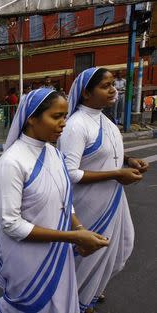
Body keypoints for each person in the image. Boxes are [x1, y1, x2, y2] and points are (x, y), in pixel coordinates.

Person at [0, 88, 109, 313]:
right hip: (27, 257)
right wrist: (72, 237)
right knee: (28, 305)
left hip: (57, 249)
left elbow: (65, 200)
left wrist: (79, 230)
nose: (63, 123)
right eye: (56, 116)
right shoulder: (12, 162)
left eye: (65, 116)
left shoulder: (55, 154)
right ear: (32, 118)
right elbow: (11, 224)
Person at [58, 67, 148, 313]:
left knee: (121, 248)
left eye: (112, 85)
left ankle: (91, 290)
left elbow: (104, 153)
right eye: (105, 86)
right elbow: (70, 172)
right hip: (90, 204)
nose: (113, 90)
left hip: (113, 198)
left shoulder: (105, 121)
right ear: (87, 93)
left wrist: (128, 161)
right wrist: (117, 174)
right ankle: (73, 301)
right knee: (89, 256)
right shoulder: (76, 125)